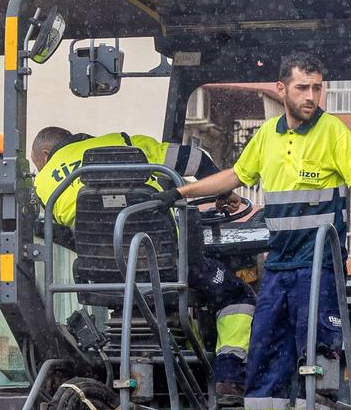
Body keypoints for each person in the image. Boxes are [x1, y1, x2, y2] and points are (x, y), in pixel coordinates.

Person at [180, 54, 351, 410]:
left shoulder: (332, 131)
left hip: (318, 267)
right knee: (265, 355)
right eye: (303, 88)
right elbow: (234, 177)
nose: (311, 96)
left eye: (317, 87)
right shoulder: (267, 138)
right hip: (278, 266)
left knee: (315, 358)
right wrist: (182, 194)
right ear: (282, 89)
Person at [30, 126, 252, 395]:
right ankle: (227, 375)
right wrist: (223, 191)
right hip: (166, 267)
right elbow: (194, 159)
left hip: (104, 276)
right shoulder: (123, 142)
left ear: (45, 155)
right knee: (235, 294)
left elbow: (69, 234)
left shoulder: (44, 185)